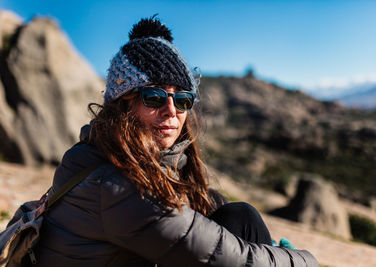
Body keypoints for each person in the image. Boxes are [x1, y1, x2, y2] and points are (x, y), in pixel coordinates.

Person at [33, 16, 318, 266]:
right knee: (243, 226)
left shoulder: (100, 154)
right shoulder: (117, 187)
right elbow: (228, 258)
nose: (172, 111)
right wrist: (303, 260)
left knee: (229, 211)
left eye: (182, 100)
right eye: (155, 97)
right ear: (124, 104)